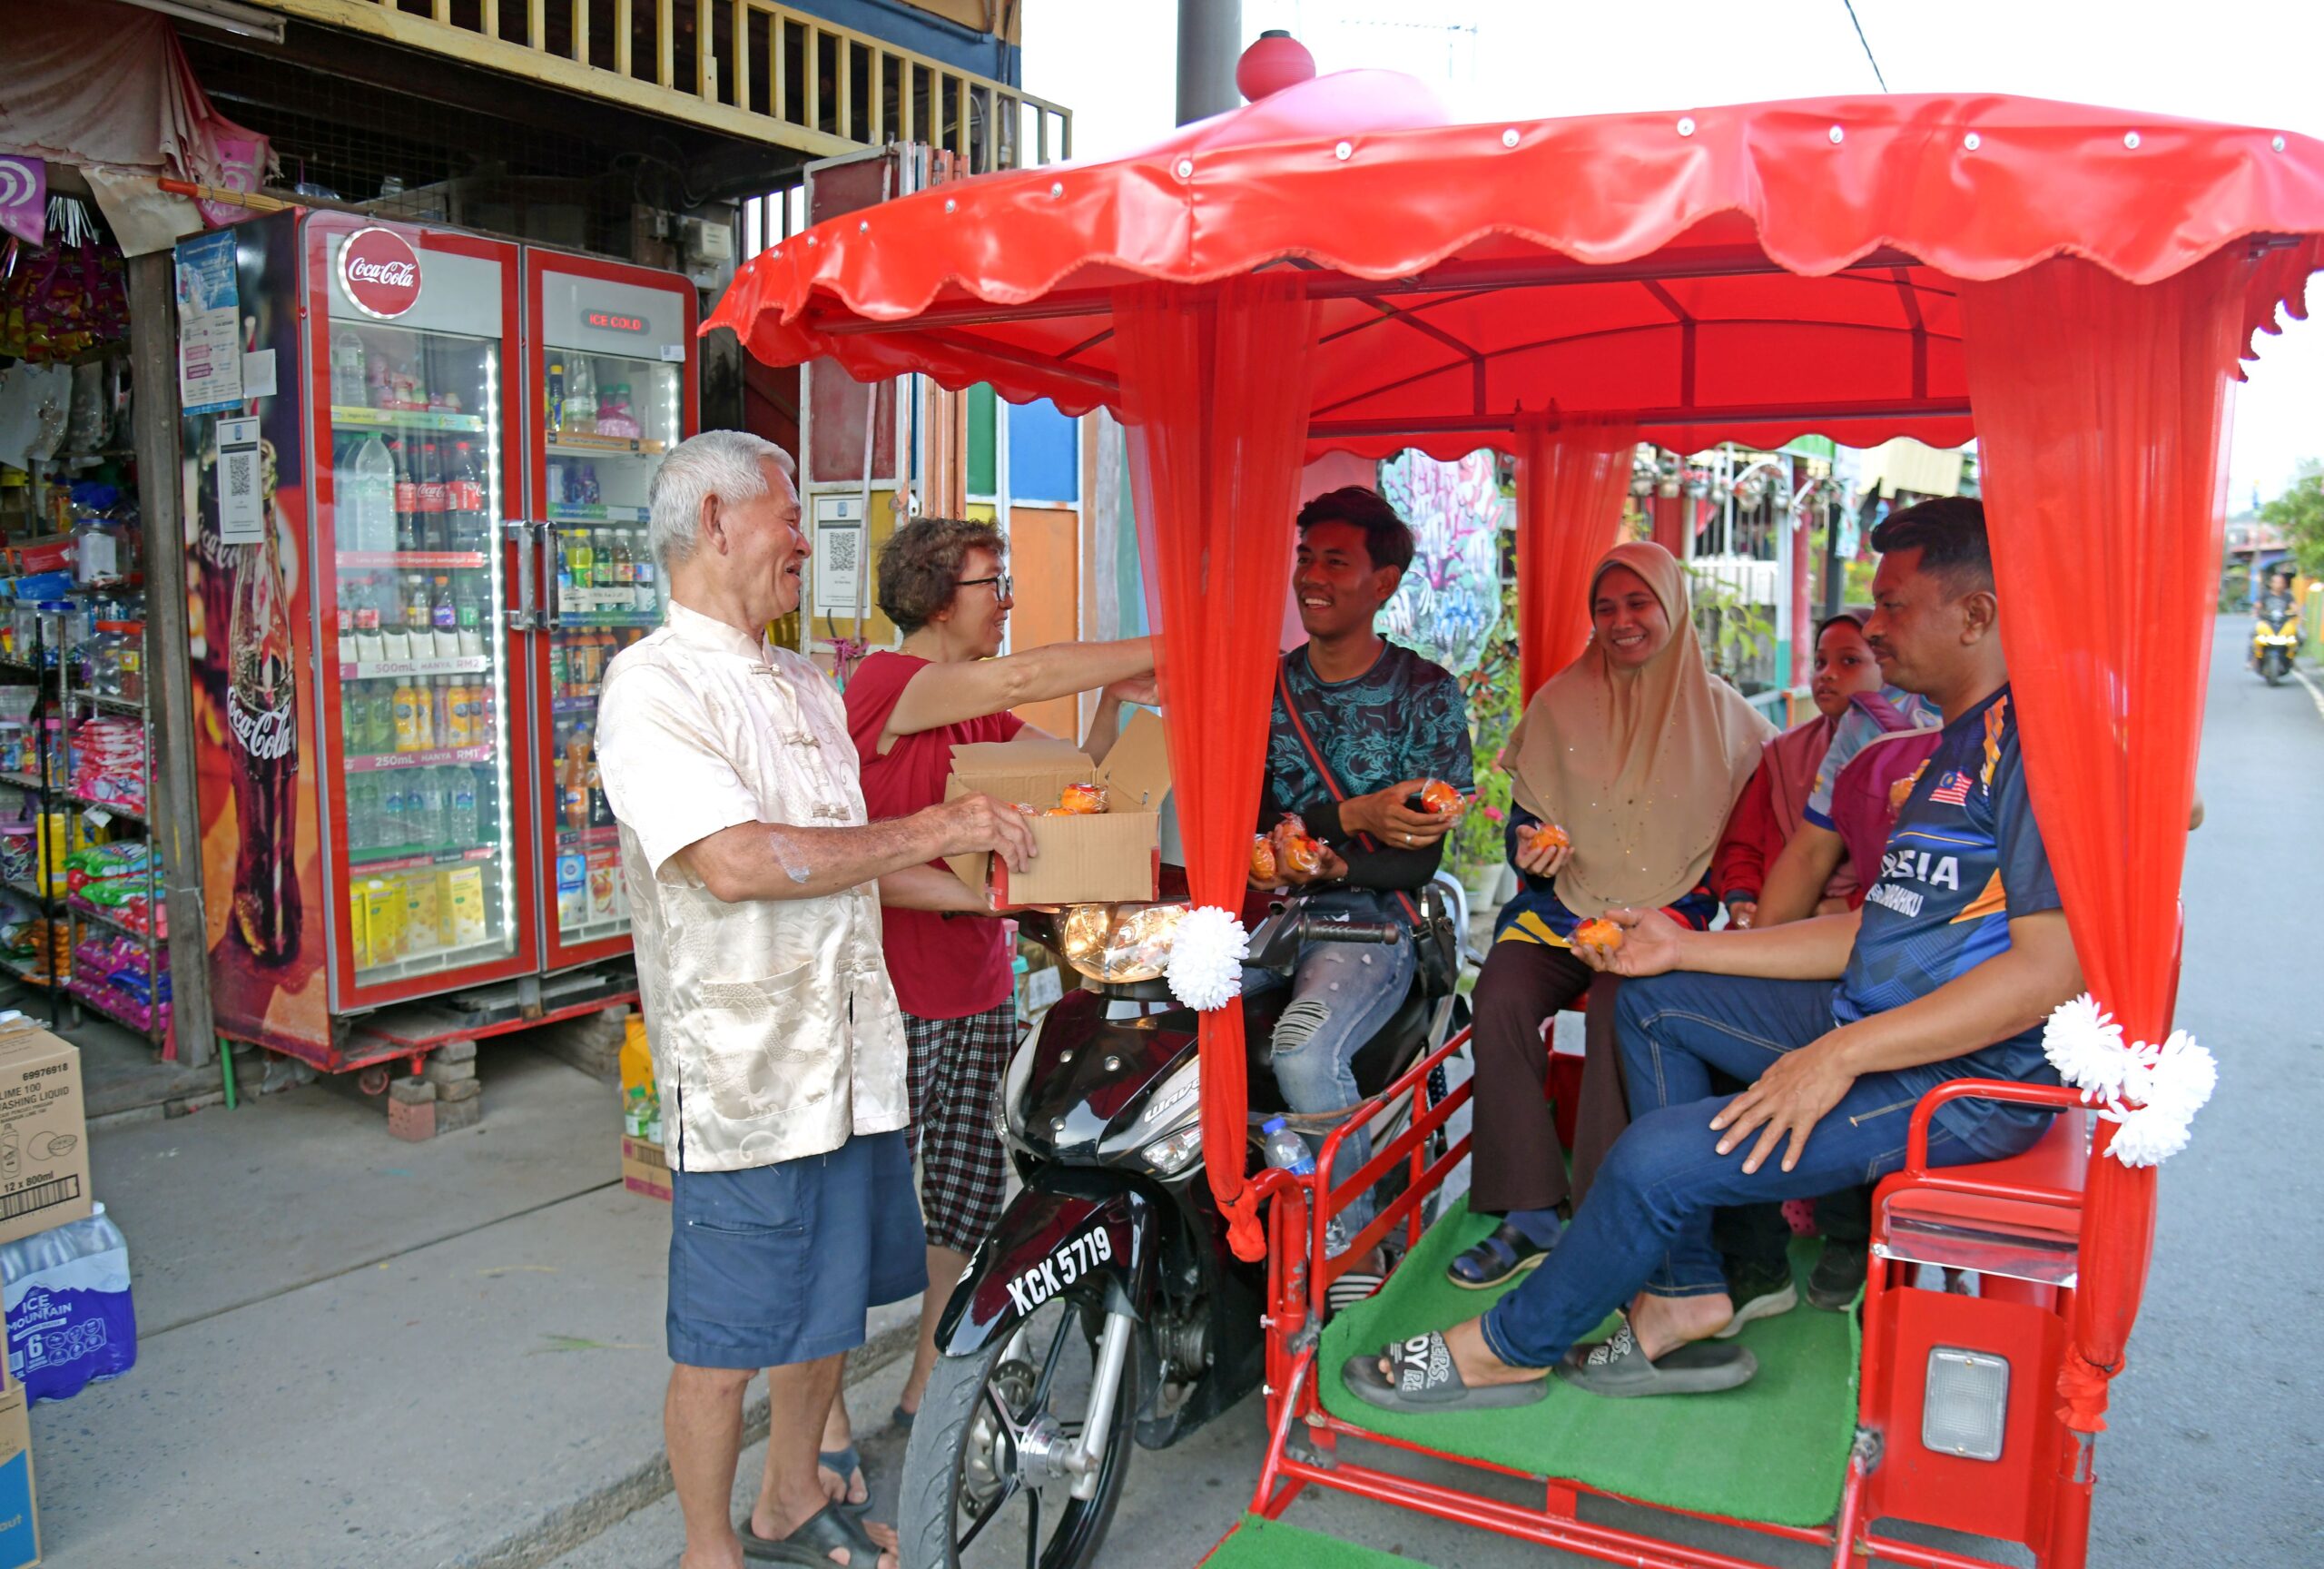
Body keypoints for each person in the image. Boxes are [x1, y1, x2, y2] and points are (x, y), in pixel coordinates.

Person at [1346, 497, 2087, 1409]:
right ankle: (1686, 1288)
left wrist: (1836, 1056)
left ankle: (1507, 1347)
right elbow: (1874, 930)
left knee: (1651, 1158)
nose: (1873, 627)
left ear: (1974, 616)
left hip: (1961, 1078)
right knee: (1652, 996)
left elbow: (2051, 972)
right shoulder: (1948, 747)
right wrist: (1687, 949)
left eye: (1894, 606)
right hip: (1878, 1018)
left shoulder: (2033, 751)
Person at [596, 431, 1035, 1569]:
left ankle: (790, 1498)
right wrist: (937, 826)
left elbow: (846, 857)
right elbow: (737, 862)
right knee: (724, 1338)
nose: (803, 539)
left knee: (829, 1309)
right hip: (745, 1078)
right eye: (786, 516)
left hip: (853, 1061)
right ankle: (708, 1549)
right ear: (714, 523)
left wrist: (975, 885)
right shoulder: (652, 686)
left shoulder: (802, 684)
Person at [842, 515, 1157, 1450]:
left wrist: (1116, 706)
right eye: (993, 584)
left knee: (966, 1204)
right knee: (854, 1218)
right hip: (892, 999)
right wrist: (1180, 642)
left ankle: (926, 1387)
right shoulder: (888, 684)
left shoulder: (978, 716)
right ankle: (818, 1420)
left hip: (977, 991)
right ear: (939, 598)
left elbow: (1079, 779)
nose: (1008, 602)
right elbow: (1026, 676)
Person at [1448, 541, 1773, 1291]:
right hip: (1560, 911)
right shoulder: (1559, 702)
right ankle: (1530, 1210)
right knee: (1499, 996)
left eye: (1638, 604)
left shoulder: (1729, 721)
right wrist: (1530, 848)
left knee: (1617, 1010)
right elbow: (1528, 820)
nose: (1621, 621)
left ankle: (1604, 1215)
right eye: (1605, 608)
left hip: (1668, 919)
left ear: (1673, 608)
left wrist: (1736, 899)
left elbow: (1745, 844)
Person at [1252, 486, 1473, 1276]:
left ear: (1383, 583)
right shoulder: (1261, 690)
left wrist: (1337, 859)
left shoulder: (1425, 694)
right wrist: (1350, 815)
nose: (1312, 577)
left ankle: (1348, 1253)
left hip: (1371, 916)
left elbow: (1418, 857)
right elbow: (1251, 824)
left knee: (1304, 1055)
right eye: (1306, 558)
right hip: (1254, 910)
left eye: (1336, 563)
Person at [1710, 613, 1887, 930]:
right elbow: (1744, 845)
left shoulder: (1906, 754)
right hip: (1768, 921)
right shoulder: (1784, 753)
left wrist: (1847, 906)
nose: (1827, 675)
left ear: (1886, 669)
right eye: (1820, 663)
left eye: (1849, 661)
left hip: (1864, 928)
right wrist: (1741, 902)